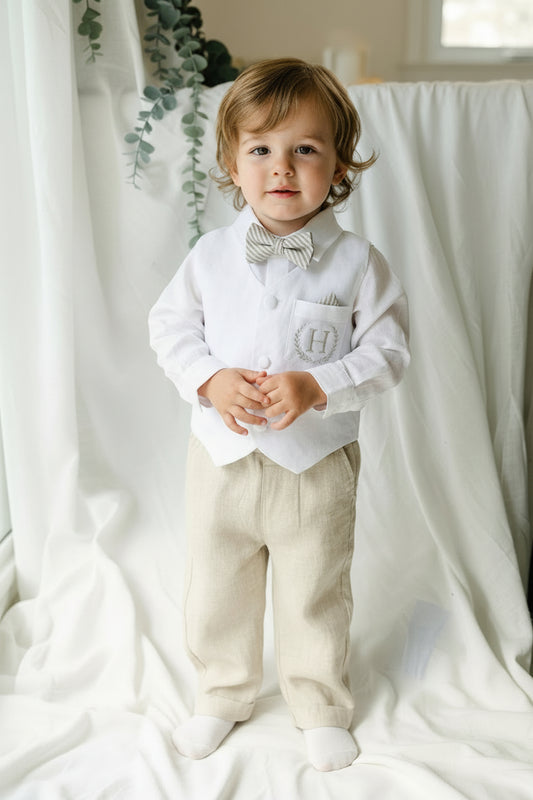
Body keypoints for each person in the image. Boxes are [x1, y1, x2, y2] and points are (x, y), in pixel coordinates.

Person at [148, 57, 409, 772]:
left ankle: (318, 702)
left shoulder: (359, 262)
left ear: (339, 164)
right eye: (259, 149)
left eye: (304, 149)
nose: (280, 167)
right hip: (221, 459)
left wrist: (318, 384)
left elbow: (388, 353)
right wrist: (209, 378)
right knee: (216, 584)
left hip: (315, 465)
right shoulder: (208, 257)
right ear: (232, 164)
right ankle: (220, 694)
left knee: (315, 588)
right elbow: (169, 329)